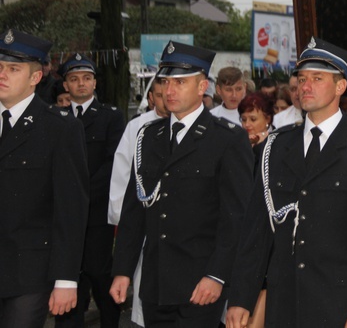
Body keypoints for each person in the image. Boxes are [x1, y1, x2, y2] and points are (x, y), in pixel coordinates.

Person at [226, 36, 347, 328]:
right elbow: (256, 231)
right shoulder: (277, 146)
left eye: (317, 78)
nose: (305, 86)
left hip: (340, 305)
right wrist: (241, 297)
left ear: (340, 86)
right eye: (302, 78)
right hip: (285, 303)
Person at [110, 41, 254, 327]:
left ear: (202, 87)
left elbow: (235, 217)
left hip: (200, 283)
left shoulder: (227, 139)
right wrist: (123, 269)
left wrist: (216, 275)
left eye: (180, 82)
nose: (169, 90)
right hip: (155, 283)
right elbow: (135, 209)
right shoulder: (149, 136)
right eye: (165, 81)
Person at [0, 29, 89, 328]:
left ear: (35, 78)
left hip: (28, 272)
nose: (2, 74)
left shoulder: (59, 129)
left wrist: (66, 278)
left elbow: (71, 209)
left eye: (13, 69)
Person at [54, 54, 125, 328]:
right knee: (68, 277)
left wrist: (78, 196)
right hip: (62, 217)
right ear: (66, 86)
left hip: (96, 215)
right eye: (74, 79)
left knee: (100, 275)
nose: (80, 84)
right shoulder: (55, 118)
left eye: (86, 78)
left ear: (95, 83)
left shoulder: (111, 117)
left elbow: (113, 164)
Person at [108, 79, 169, 327]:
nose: (166, 98)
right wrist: (119, 220)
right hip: (144, 220)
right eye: (160, 94)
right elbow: (123, 175)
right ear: (152, 97)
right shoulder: (138, 128)